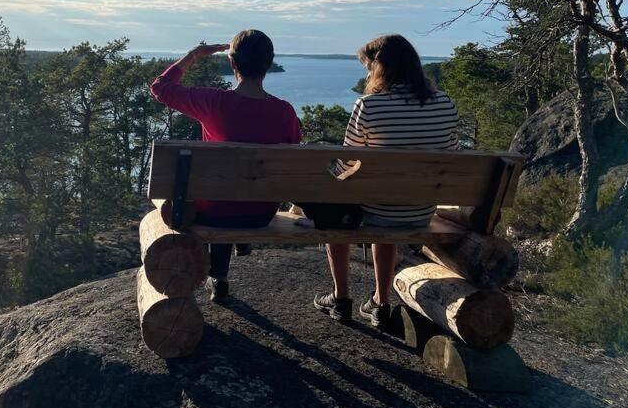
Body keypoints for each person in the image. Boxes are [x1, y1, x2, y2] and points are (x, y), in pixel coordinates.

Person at [313, 34, 459, 326]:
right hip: (420, 211)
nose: (366, 74)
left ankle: (341, 298)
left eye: (368, 67)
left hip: (379, 210)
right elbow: (452, 157)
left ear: (380, 68)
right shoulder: (444, 103)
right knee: (387, 199)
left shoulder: (369, 105)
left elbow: (345, 165)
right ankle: (381, 303)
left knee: (337, 206)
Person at [150, 29, 301, 304]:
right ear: (268, 64)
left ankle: (216, 276)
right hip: (260, 213)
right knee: (233, 188)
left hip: (213, 213)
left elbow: (160, 88)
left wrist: (193, 56)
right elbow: (294, 151)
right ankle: (219, 275)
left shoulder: (213, 102)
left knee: (216, 193)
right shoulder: (285, 111)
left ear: (232, 64)